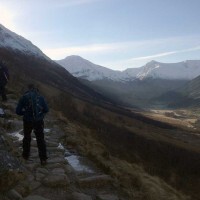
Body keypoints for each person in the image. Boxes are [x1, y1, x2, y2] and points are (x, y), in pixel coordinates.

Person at [16, 84, 49, 165]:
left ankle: (25, 155)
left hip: (27, 121)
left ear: (28, 89)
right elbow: (46, 109)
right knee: (40, 139)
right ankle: (43, 159)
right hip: (38, 121)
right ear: (36, 89)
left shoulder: (24, 97)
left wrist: (25, 112)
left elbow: (18, 111)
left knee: (27, 137)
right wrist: (41, 115)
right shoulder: (41, 97)